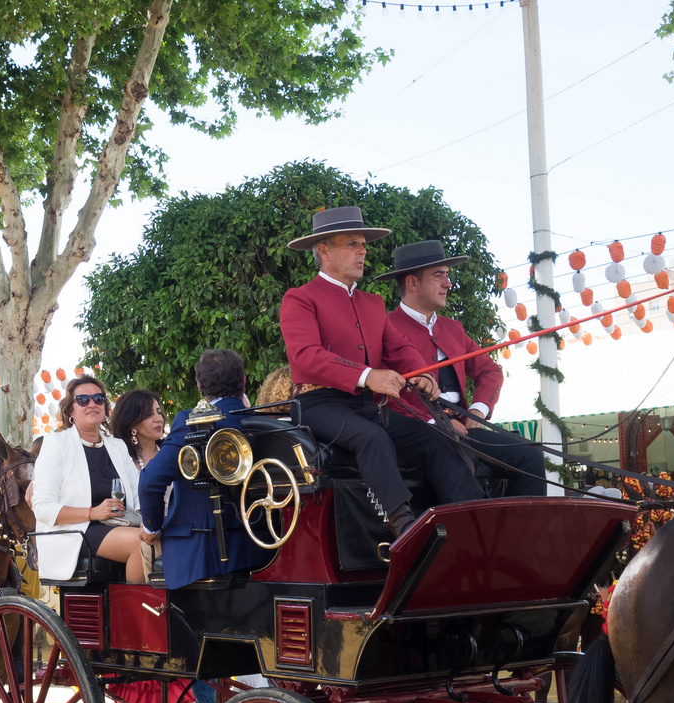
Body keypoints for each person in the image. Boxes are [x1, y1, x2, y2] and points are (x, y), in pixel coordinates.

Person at [278, 207, 482, 538]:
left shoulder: (372, 303)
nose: (363, 251)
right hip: (318, 404)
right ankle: (404, 529)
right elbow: (306, 356)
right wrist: (368, 376)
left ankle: (471, 524)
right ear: (325, 252)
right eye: (352, 244)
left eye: (363, 244)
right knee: (372, 438)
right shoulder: (300, 299)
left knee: (438, 439)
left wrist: (422, 373)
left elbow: (398, 349)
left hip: (364, 405)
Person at [380, 240, 546, 498]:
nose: (448, 283)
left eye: (447, 275)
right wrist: (437, 422)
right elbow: (383, 397)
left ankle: (519, 535)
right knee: (455, 461)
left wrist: (477, 412)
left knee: (530, 456)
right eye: (439, 276)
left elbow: (490, 371)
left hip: (463, 427)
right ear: (412, 283)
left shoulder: (453, 328)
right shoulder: (384, 327)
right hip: (421, 431)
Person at [139, 349, 270, 589]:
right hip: (261, 547)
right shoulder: (264, 422)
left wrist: (151, 526)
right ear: (243, 382)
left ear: (200, 387)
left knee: (142, 549)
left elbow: (151, 480)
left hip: (202, 555)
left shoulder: (192, 421)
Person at [32, 376, 144, 582]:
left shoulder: (117, 446)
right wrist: (93, 513)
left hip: (119, 524)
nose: (92, 404)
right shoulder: (56, 444)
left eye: (98, 398)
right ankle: (132, 613)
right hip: (75, 531)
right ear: (71, 411)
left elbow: (139, 495)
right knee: (141, 543)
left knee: (160, 538)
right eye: (83, 400)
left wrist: (147, 520)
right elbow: (42, 508)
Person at [113, 388, 167, 470]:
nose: (158, 419)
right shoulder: (123, 461)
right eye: (149, 415)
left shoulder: (172, 451)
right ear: (131, 423)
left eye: (159, 412)